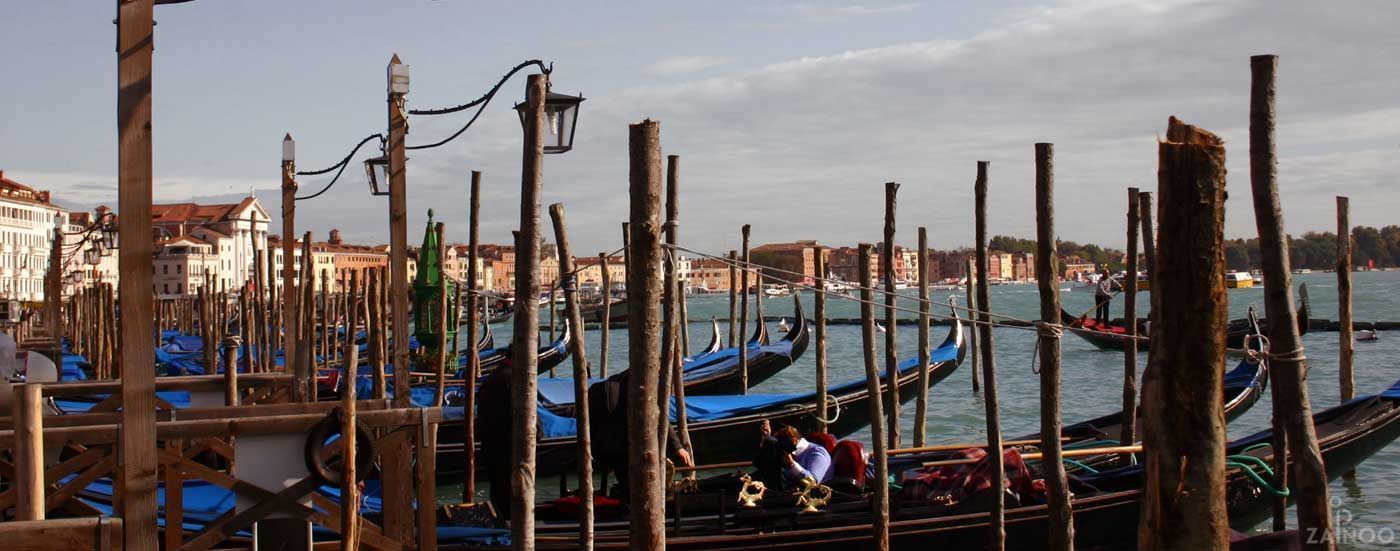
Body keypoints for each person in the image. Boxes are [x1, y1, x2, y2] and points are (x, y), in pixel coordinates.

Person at [587, 370, 694, 500]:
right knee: (639, 487)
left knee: (628, 482)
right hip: (623, 447)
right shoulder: (637, 386)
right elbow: (658, 415)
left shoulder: (606, 385)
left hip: (602, 448)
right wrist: (678, 447)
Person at [475, 358, 514, 518]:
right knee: (511, 491)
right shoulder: (513, 379)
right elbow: (523, 412)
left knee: (498, 490)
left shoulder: (491, 379)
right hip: (509, 445)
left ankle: (501, 522)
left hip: (490, 445)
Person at [752, 420, 831, 491]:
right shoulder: (787, 452)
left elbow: (812, 482)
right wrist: (766, 440)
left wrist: (792, 464)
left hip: (813, 498)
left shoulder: (817, 452)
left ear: (794, 439)